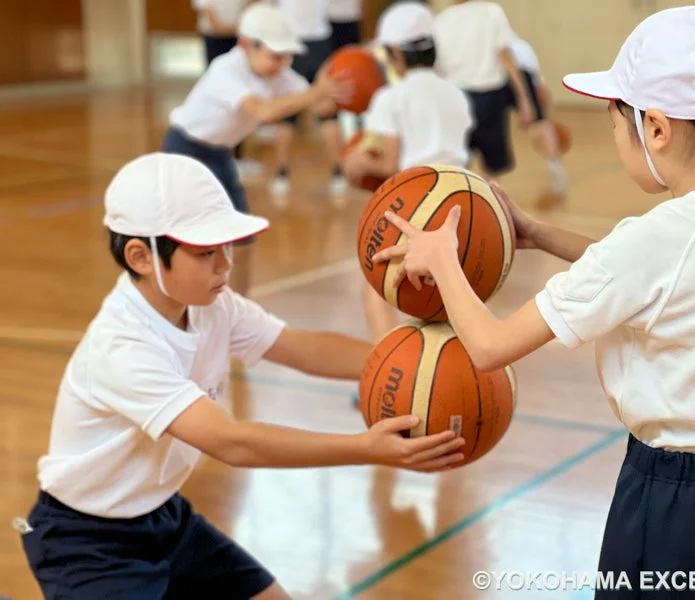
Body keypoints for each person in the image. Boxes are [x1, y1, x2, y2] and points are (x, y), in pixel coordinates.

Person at [372, 7, 695, 596]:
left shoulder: (654, 241)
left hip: (675, 507)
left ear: (655, 128)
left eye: (615, 119)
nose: (615, 133)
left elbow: (491, 348)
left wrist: (443, 261)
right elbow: (647, 274)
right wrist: (539, 233)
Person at [18, 152, 465, 600]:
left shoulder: (214, 305)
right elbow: (233, 443)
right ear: (140, 256)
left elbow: (302, 347)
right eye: (206, 252)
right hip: (86, 541)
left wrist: (415, 364)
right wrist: (365, 449)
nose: (225, 265)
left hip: (163, 517)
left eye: (227, 247)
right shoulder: (123, 348)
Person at [161, 3, 351, 296]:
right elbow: (263, 111)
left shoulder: (279, 73)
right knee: (186, 241)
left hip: (220, 154)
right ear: (246, 45)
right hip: (185, 151)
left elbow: (320, 104)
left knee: (242, 239)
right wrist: (315, 93)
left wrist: (340, 85)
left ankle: (238, 308)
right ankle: (176, 302)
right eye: (276, 54)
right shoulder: (225, 69)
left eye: (288, 55)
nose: (283, 62)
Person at [342, 1, 472, 378]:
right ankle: (446, 378)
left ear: (395, 52)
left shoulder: (390, 98)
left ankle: (389, 372)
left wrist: (356, 163)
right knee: (443, 295)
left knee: (377, 287)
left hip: (415, 200)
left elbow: (389, 164)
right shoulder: (456, 93)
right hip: (463, 198)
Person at [432, 0, 535, 178]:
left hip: (455, 98)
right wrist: (524, 99)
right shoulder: (491, 11)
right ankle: (490, 202)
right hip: (490, 99)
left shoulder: (439, 22)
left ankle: (461, 201)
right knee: (492, 170)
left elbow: (437, 69)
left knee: (457, 166)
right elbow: (505, 56)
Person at [272, 0, 348, 200]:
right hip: (319, 45)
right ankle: (338, 175)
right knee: (328, 113)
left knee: (287, 114)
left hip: (291, 43)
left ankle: (281, 176)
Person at [191, 0, 259, 175]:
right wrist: (243, 29)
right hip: (216, 42)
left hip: (238, 41)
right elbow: (215, 26)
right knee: (219, 102)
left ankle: (236, 158)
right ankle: (211, 156)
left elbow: (255, 7)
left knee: (240, 103)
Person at [508, 33, 568, 197]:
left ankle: (554, 166)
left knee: (540, 125)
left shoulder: (518, 47)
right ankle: (554, 165)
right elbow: (539, 84)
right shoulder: (521, 45)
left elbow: (537, 82)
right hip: (505, 77)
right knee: (540, 124)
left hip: (508, 76)